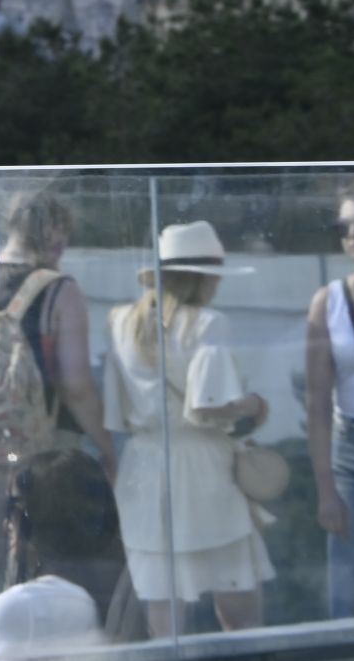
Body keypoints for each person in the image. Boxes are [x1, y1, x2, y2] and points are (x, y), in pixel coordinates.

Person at [0, 190, 118, 602]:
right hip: (42, 460)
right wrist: (108, 447)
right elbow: (75, 386)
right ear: (52, 230)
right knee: (47, 586)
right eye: (62, 233)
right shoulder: (59, 290)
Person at [105, 220, 272, 638]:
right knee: (238, 600)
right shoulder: (207, 323)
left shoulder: (120, 321)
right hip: (202, 466)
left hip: (143, 465)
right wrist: (252, 405)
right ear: (204, 278)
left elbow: (112, 404)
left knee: (163, 600)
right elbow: (208, 406)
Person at [0, 450, 119, 657]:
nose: (6, 523)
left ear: (40, 516)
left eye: (13, 505)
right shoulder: (120, 584)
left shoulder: (22, 606)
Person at [305, 186, 354, 618]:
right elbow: (317, 401)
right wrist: (325, 490)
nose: (352, 235)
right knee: (347, 588)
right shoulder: (330, 301)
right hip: (350, 452)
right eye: (344, 227)